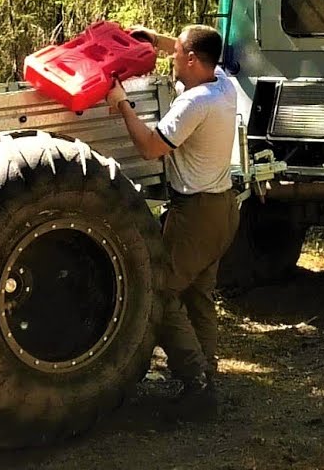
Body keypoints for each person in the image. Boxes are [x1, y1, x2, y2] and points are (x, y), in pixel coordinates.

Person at [107, 23, 240, 420]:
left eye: (177, 53)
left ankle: (196, 384)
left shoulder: (195, 102)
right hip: (223, 209)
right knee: (199, 294)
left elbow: (150, 148)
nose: (171, 58)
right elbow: (200, 53)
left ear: (194, 60)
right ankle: (207, 375)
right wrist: (157, 39)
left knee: (160, 295)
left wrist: (121, 104)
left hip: (196, 215)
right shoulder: (224, 85)